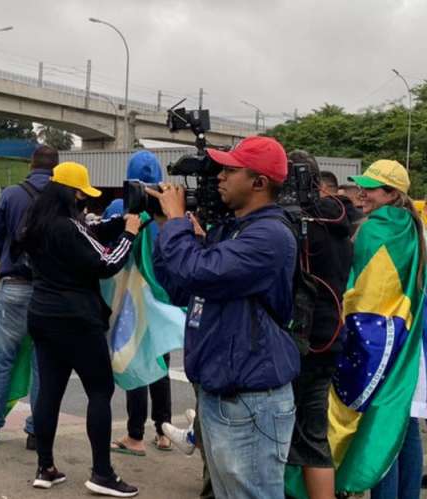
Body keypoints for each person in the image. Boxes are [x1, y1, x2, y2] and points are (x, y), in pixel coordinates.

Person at [148, 136, 300, 498]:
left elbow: (198, 272)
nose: (219, 177)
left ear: (259, 183)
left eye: (231, 170)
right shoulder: (231, 229)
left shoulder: (270, 235)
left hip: (250, 398)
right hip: (223, 392)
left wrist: (176, 224)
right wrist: (163, 227)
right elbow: (182, 287)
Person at [21, 161, 141, 497]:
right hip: (77, 321)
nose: (83, 201)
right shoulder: (68, 228)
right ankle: (102, 472)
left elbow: (90, 234)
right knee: (100, 391)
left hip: (42, 316)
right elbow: (105, 264)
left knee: (49, 392)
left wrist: (121, 222)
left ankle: (45, 467)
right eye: (80, 194)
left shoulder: (36, 223)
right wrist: (130, 234)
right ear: (70, 193)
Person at [335, 160, 424, 499]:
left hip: (377, 344)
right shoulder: (410, 226)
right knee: (403, 423)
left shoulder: (375, 228)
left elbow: (361, 293)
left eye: (370, 188)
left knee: (377, 431)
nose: (361, 192)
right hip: (407, 340)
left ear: (391, 193)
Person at [0, 145, 57, 449]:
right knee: (43, 365)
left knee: (2, 359)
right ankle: (36, 432)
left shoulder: (10, 195)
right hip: (48, 290)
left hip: (13, 285)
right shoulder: (62, 195)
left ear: (30, 164)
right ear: (56, 167)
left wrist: (10, 260)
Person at [285, 151, 353, 499]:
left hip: (301, 341)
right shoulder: (339, 221)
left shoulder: (298, 225)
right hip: (330, 339)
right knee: (314, 436)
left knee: (278, 435)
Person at [108, 151, 174, 456]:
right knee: (160, 363)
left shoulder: (121, 207)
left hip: (132, 300)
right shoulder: (171, 210)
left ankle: (135, 435)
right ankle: (163, 431)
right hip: (164, 300)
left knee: (134, 361)